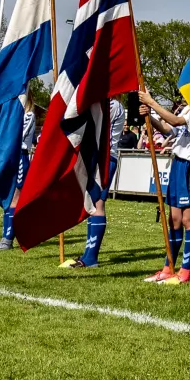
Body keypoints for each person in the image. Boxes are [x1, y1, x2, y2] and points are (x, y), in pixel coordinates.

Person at [138, 91, 190, 286]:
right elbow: (169, 129)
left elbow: (178, 122)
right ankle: (168, 268)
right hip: (179, 164)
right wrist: (150, 116)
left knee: (189, 219)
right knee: (175, 220)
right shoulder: (187, 107)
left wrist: (152, 102)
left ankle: (185, 271)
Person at [66, 95, 127, 269]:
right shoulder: (108, 104)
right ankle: (88, 253)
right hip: (99, 157)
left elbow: (98, 127)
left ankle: (91, 257)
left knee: (98, 205)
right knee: (92, 204)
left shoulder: (113, 105)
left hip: (106, 159)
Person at [0, 102, 38, 251]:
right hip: (8, 157)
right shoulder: (11, 114)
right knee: (7, 197)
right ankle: (8, 236)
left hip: (19, 157)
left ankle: (7, 239)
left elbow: (18, 135)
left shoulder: (28, 115)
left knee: (14, 198)